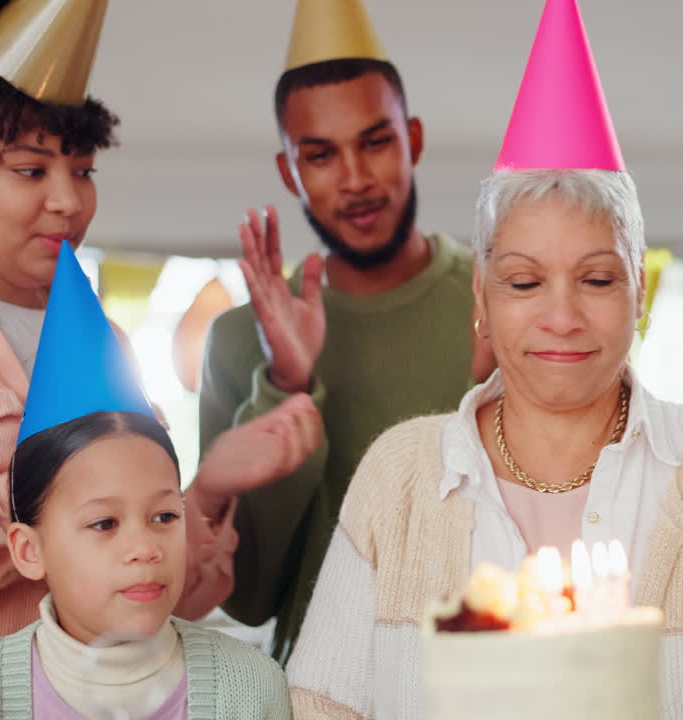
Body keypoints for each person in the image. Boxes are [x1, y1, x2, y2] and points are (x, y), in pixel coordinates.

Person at [284, 2, 683, 717]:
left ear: (639, 289)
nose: (562, 317)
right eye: (524, 282)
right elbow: (318, 705)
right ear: (481, 296)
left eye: (599, 279)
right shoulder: (399, 478)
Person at [0, 1, 316, 712]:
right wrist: (47, 496)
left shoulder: (103, 341)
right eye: (29, 170)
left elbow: (165, 598)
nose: (67, 202)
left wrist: (200, 492)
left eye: (81, 170)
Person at [196, 0, 490, 663]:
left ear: (412, 139)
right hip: (318, 689)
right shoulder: (242, 342)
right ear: (288, 172)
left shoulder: (501, 297)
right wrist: (285, 385)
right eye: (321, 155)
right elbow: (246, 597)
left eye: (375, 142)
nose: (356, 180)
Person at [0, 243, 292, 719]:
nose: (146, 547)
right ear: (29, 550)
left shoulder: (251, 689)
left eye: (165, 516)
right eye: (105, 523)